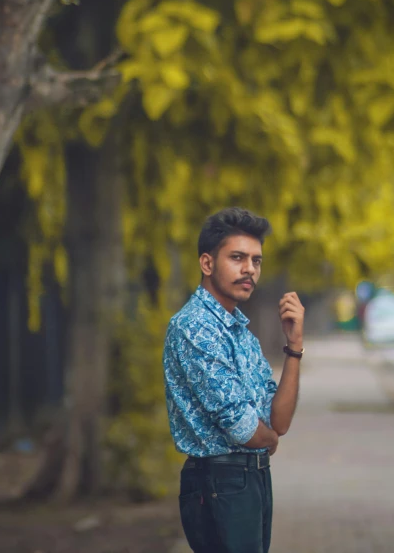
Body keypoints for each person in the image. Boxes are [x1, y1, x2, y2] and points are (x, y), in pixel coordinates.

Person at [163, 207, 305, 553]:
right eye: (238, 258)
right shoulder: (194, 327)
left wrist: (295, 346)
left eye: (256, 260)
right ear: (207, 264)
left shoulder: (239, 331)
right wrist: (267, 439)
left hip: (250, 478)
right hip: (218, 481)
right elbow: (243, 427)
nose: (250, 270)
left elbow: (278, 421)